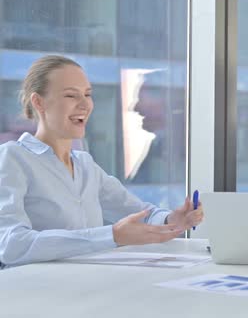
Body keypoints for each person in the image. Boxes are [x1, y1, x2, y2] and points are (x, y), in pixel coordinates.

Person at [0, 55, 204, 268]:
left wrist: (172, 220)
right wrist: (111, 235)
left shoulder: (85, 165)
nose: (84, 105)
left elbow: (140, 213)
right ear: (38, 102)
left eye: (87, 95)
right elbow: (11, 245)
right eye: (71, 95)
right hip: (33, 292)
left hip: (88, 288)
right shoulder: (12, 158)